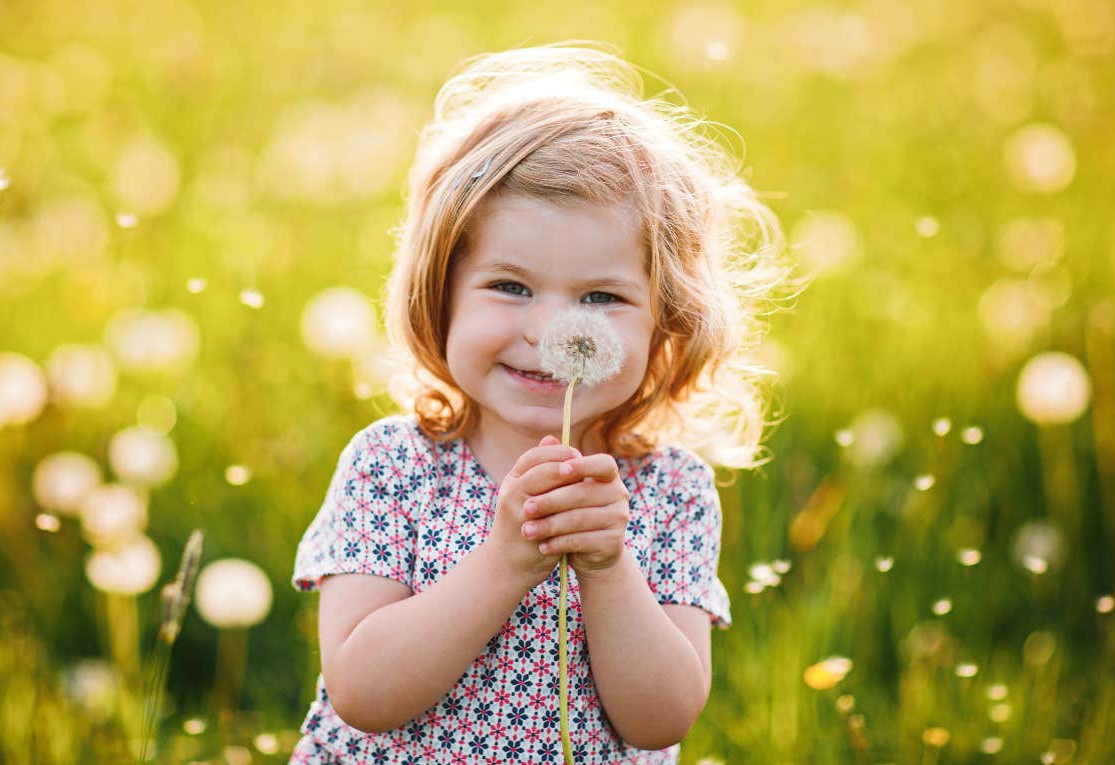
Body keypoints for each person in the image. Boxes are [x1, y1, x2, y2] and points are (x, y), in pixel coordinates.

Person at [290, 41, 787, 765]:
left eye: (601, 297)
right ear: (443, 294)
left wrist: (610, 568)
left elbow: (662, 718)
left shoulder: (669, 492)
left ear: (664, 325)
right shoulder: (393, 468)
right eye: (511, 286)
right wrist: (504, 560)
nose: (551, 330)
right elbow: (362, 691)